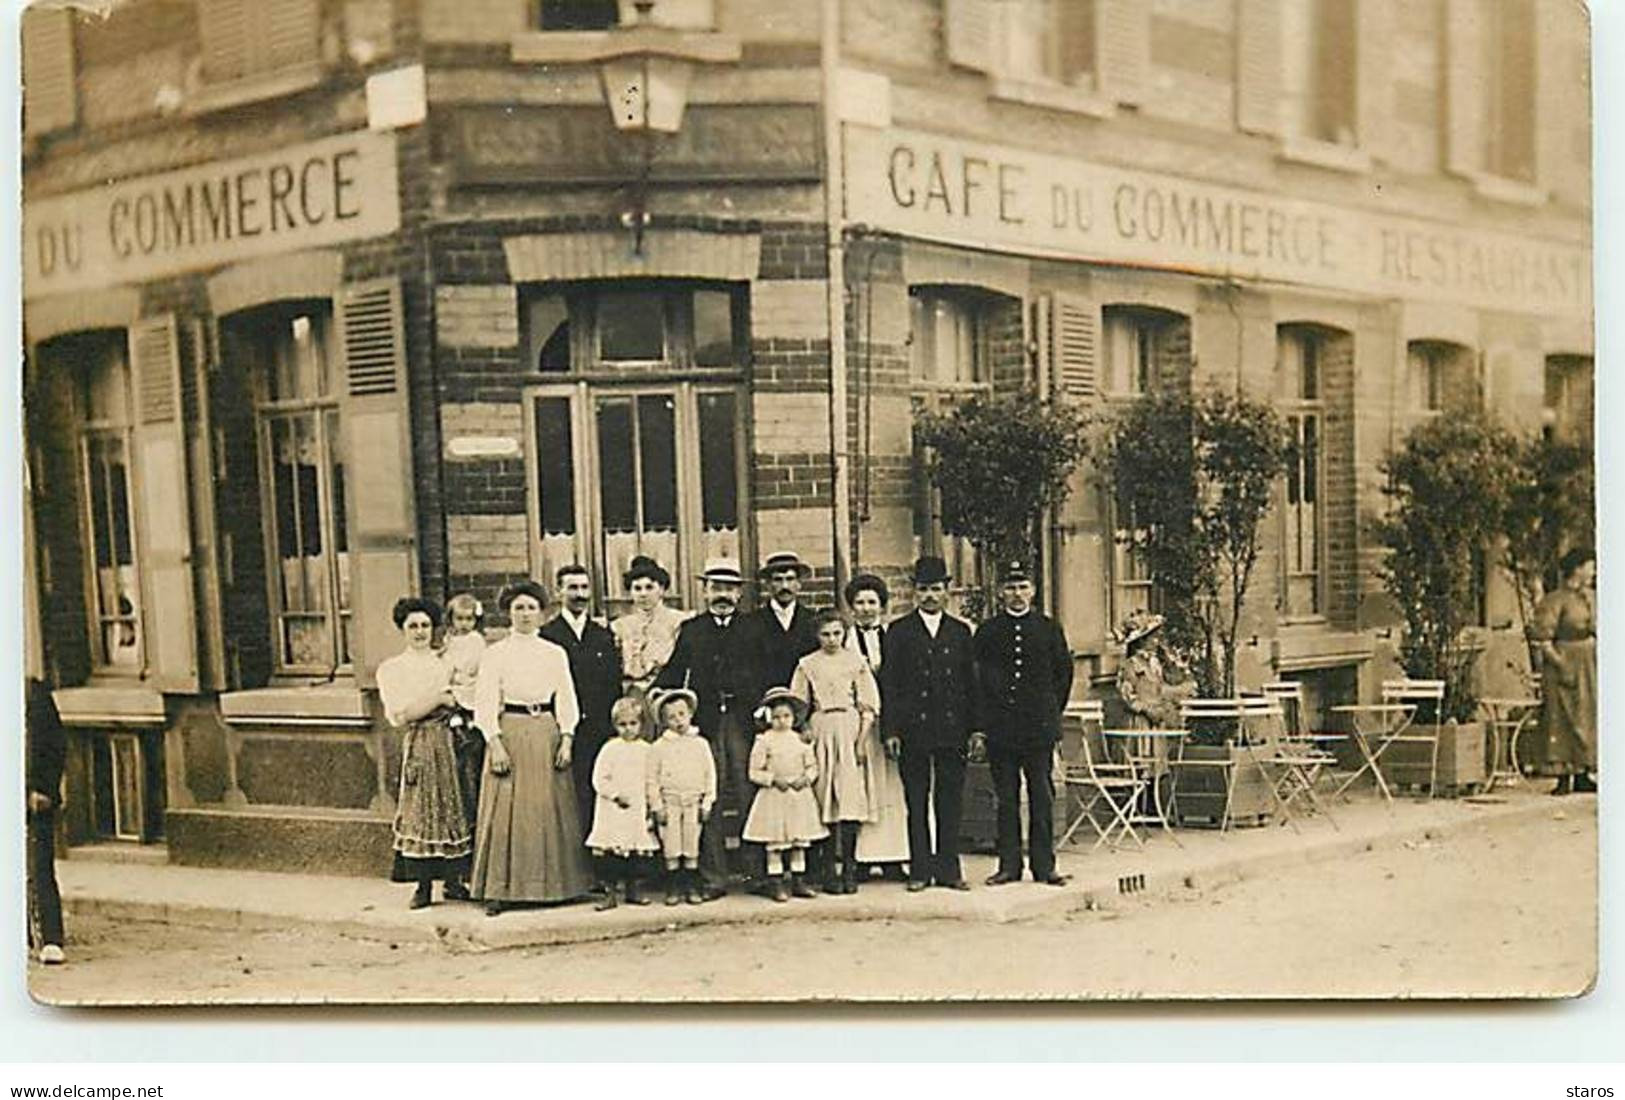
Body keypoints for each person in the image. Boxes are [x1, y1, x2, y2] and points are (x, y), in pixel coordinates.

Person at [469, 580, 594, 915]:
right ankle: (500, 890)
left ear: (542, 612)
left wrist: (567, 738)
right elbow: (484, 702)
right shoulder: (496, 654)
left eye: (531, 608)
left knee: (548, 810)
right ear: (509, 613)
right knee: (507, 812)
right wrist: (494, 743)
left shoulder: (554, 652)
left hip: (546, 732)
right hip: (510, 731)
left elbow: (567, 698)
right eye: (518, 608)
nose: (525, 614)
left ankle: (558, 887)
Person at [881, 556, 980, 892]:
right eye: (923, 589)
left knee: (950, 800)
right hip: (913, 729)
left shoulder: (961, 632)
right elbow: (890, 686)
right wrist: (891, 730)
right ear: (913, 592)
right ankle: (920, 868)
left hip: (952, 729)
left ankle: (949, 869)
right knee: (917, 800)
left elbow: (972, 685)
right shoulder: (898, 631)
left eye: (936, 589)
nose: (929, 596)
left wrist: (975, 729)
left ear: (947, 591)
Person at [656, 557, 753, 897]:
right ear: (705, 591)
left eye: (728, 588)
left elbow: (768, 672)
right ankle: (714, 877)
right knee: (707, 798)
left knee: (747, 793)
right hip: (707, 722)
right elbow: (673, 671)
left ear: (739, 593)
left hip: (743, 721)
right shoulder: (693, 629)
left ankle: (756, 873)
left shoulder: (753, 627)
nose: (722, 595)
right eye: (716, 588)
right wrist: (657, 691)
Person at [974, 561, 1074, 887]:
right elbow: (978, 680)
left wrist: (1049, 713)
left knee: (1041, 796)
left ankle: (1045, 866)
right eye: (1011, 587)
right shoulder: (988, 632)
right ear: (1001, 591)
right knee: (1006, 798)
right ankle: (1009, 866)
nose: (1017, 594)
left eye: (1023, 587)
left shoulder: (1048, 628)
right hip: (1001, 728)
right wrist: (987, 721)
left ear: (1032, 590)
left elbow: (1063, 675)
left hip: (1038, 728)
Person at [377, 597, 474, 909]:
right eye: (413, 626)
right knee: (422, 810)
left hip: (451, 739)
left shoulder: (444, 662)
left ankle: (454, 881)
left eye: (425, 626)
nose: (420, 632)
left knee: (455, 803)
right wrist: (439, 699)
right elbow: (402, 714)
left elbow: (465, 695)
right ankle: (422, 886)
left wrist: (451, 700)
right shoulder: (393, 668)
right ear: (402, 630)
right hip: (420, 741)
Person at [791, 609, 880, 893]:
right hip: (821, 728)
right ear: (817, 636)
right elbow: (798, 703)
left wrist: (861, 740)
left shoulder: (856, 662)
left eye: (837, 633)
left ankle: (850, 869)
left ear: (844, 633)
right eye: (825, 634)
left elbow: (868, 704)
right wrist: (803, 727)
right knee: (824, 795)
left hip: (849, 728)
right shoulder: (807, 664)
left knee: (849, 798)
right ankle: (829, 869)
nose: (831, 639)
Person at [540, 564, 624, 840]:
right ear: (558, 591)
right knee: (565, 796)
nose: (579, 594)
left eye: (584, 588)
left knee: (598, 792)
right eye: (572, 588)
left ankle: (600, 867)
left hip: (599, 728)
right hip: (561, 729)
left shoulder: (602, 635)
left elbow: (613, 685)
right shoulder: (547, 635)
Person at [844, 572, 909, 876]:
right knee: (861, 787)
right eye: (860, 602)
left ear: (882, 606)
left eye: (872, 602)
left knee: (891, 788)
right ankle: (861, 858)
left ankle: (893, 857)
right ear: (851, 607)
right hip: (857, 725)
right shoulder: (843, 640)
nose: (866, 608)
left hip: (891, 722)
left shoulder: (894, 637)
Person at [742, 686, 827, 902]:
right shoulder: (764, 740)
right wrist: (772, 779)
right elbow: (754, 771)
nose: (782, 721)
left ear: (794, 717)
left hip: (798, 796)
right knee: (776, 843)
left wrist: (805, 778)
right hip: (774, 796)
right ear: (769, 717)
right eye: (777, 716)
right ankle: (776, 882)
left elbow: (812, 766)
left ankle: (798, 880)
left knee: (798, 841)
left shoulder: (801, 740)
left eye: (786, 716)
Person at [1531, 547, 1597, 796]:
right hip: (1563, 662)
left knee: (1586, 716)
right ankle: (1562, 775)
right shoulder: (1555, 600)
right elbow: (1543, 639)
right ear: (1577, 569)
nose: (1593, 572)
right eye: (1589, 566)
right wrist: (1560, 663)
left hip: (1588, 663)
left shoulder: (1592, 597)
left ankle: (1583, 773)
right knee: (1561, 717)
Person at [585, 697, 661, 910]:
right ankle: (609, 893)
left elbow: (651, 779)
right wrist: (615, 795)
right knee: (611, 853)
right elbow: (599, 778)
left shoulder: (647, 750)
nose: (628, 729)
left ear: (641, 724)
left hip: (636, 809)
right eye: (622, 724)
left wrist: (650, 805)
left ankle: (633, 890)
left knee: (636, 852)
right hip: (613, 810)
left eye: (633, 724)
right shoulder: (610, 749)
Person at [650, 688, 718, 905]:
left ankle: (691, 885)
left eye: (681, 714)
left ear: (690, 714)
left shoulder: (700, 744)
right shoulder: (659, 747)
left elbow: (710, 775)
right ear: (663, 721)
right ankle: (674, 886)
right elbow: (651, 779)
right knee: (671, 845)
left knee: (691, 844)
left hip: (693, 802)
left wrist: (707, 802)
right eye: (671, 717)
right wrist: (657, 806)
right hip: (670, 802)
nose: (678, 721)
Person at [26, 678, 67, 965]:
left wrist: (44, 788)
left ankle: (50, 938)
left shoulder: (32, 693)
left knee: (39, 866)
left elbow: (54, 745)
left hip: (32, 796)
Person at [442, 592, 487, 835]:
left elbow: (476, 669)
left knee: (470, 763)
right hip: (454, 691)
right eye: (459, 619)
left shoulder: (476, 641)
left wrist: (461, 676)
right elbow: (444, 667)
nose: (464, 624)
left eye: (469, 619)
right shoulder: (448, 641)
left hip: (471, 690)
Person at [611, 555, 688, 696]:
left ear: (662, 589)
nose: (643, 594)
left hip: (668, 694)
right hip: (630, 695)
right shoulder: (620, 626)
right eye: (637, 588)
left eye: (649, 587)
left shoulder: (679, 622)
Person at [1114, 611, 1193, 729]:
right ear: (1142, 641)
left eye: (1157, 637)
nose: (1157, 642)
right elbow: (1126, 695)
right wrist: (1147, 709)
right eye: (1153, 638)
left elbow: (1160, 688)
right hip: (1140, 721)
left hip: (1157, 720)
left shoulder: (1154, 663)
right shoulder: (1131, 665)